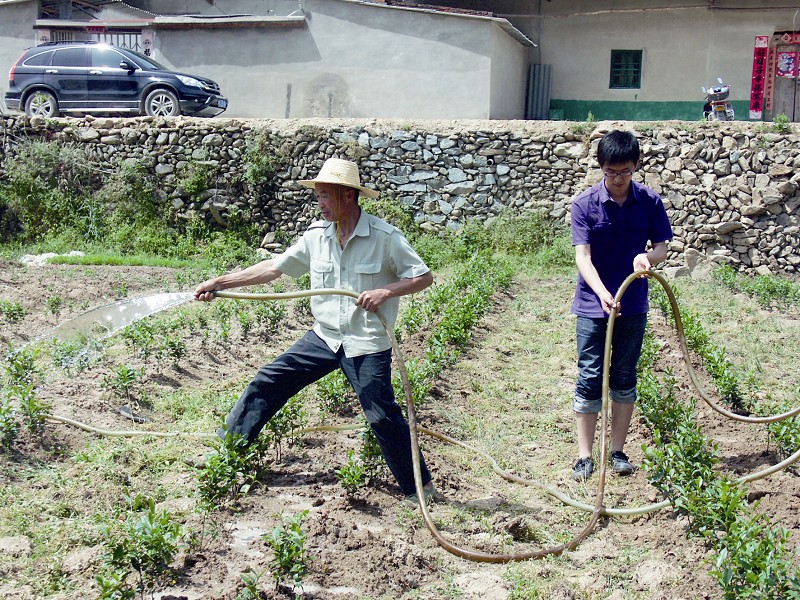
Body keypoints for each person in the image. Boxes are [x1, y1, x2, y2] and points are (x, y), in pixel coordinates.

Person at [193, 157, 436, 505]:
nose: (319, 203)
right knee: (268, 381)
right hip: (324, 337)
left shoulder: (385, 237)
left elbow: (423, 277)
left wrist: (387, 291)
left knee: (381, 415)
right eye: (318, 195)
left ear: (348, 196)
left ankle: (419, 488)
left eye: (325, 196)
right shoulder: (316, 237)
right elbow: (273, 269)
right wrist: (219, 282)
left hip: (365, 340)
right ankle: (226, 455)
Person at [568, 130, 673, 481]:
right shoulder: (584, 204)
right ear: (601, 168)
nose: (617, 179)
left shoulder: (649, 201)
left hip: (633, 303)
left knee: (625, 376)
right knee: (589, 376)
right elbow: (583, 257)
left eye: (624, 172)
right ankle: (585, 456)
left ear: (636, 166)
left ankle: (617, 451)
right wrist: (600, 292)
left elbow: (662, 247)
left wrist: (647, 257)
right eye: (611, 172)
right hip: (592, 304)